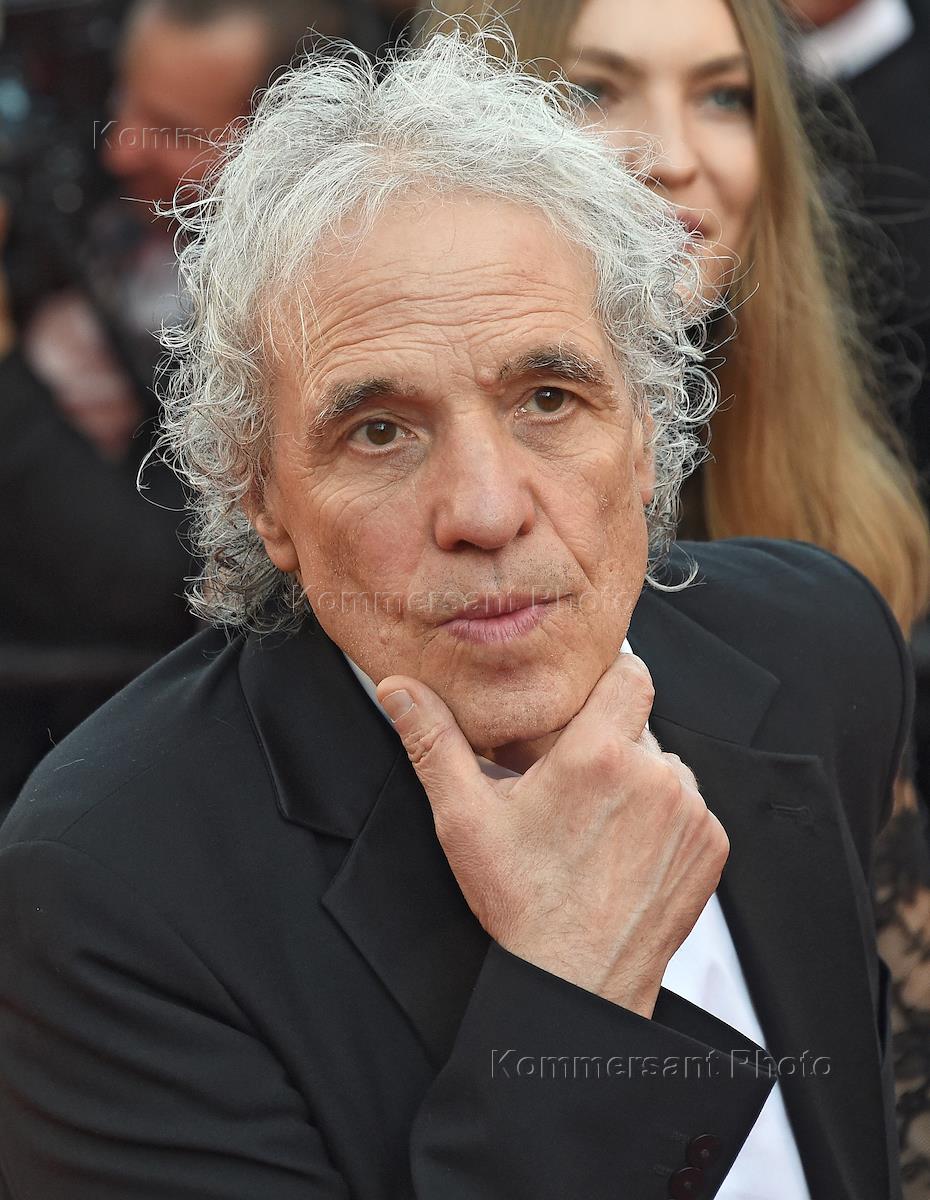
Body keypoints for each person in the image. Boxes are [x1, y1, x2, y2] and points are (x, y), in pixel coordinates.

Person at [0, 32, 908, 1199]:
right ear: (262, 498)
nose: (485, 510)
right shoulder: (107, 895)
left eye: (548, 399)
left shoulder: (819, 648)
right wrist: (575, 991)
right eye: (380, 431)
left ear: (647, 434)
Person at [421, 0, 930, 1190]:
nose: (676, 155)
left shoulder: (845, 520)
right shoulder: (436, 569)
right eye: (595, 90)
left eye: (724, 95)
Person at [0, 0, 355, 810]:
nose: (121, 149)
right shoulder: (84, 189)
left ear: (284, 146)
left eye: (173, 131)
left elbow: (164, 584)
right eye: (121, 102)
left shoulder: (303, 322)